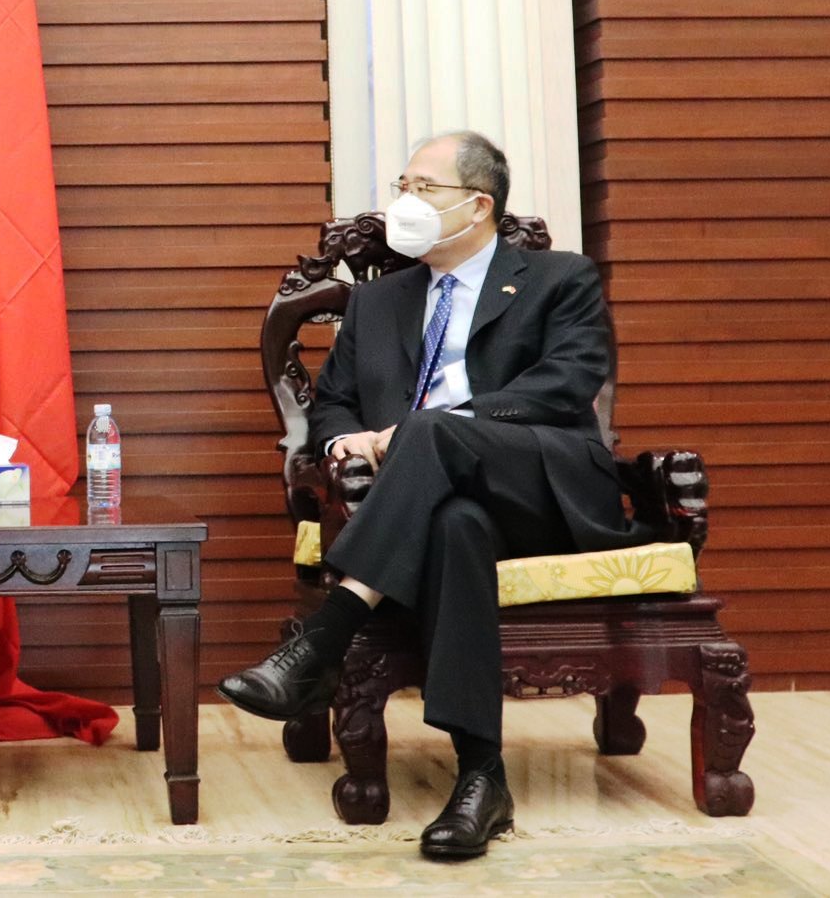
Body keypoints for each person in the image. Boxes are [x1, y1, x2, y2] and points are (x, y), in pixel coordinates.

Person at [219, 131, 638, 860]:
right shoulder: (379, 303)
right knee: (456, 526)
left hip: (542, 490)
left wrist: (410, 434)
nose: (403, 203)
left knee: (430, 433)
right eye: (401, 186)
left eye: (423, 188)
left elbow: (564, 386)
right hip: (430, 506)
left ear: (478, 206)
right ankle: (481, 778)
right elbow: (332, 409)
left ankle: (324, 642)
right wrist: (347, 440)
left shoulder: (558, 279)